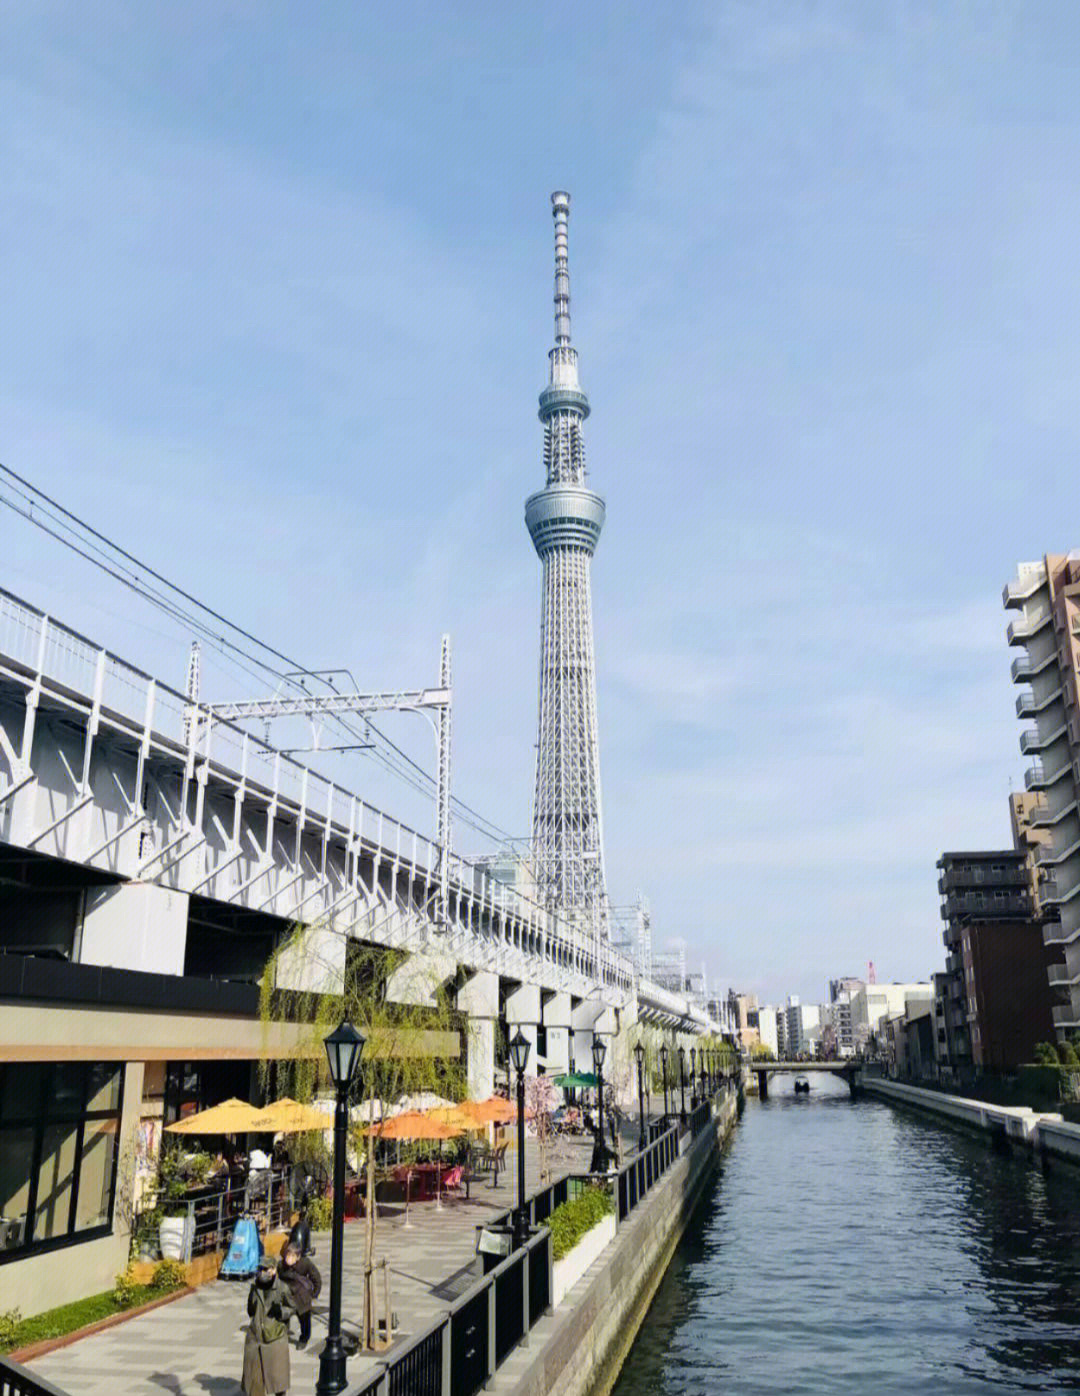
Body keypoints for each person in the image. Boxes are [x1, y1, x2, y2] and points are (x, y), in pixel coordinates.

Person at [243, 1257, 295, 1396]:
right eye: (260, 1269)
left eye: (266, 1269)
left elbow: (293, 1308)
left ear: (273, 1270)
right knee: (255, 1383)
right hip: (256, 1338)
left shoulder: (282, 1287)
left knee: (278, 1382)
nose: (262, 1272)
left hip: (275, 1338)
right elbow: (250, 1311)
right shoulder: (255, 1287)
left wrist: (281, 1312)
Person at [277, 1242, 322, 1349]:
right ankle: (282, 1336)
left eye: (292, 1256)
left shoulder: (305, 1263)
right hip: (286, 1295)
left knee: (304, 1320)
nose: (289, 1259)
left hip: (301, 1296)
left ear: (298, 1257)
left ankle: (304, 1339)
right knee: (283, 1318)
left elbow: (316, 1278)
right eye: (288, 1255)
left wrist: (314, 1294)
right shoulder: (280, 1265)